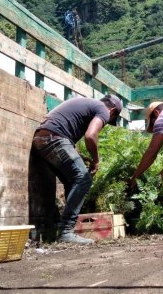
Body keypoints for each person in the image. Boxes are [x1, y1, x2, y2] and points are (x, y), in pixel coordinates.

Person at [32, 94, 123, 243]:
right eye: (109, 121)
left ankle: (66, 229)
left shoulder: (86, 103)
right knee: (84, 178)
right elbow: (90, 136)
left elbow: (63, 129)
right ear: (112, 111)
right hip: (54, 139)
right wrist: (95, 160)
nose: (106, 122)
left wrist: (78, 155)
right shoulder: (103, 110)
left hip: (41, 139)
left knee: (72, 180)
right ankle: (66, 231)